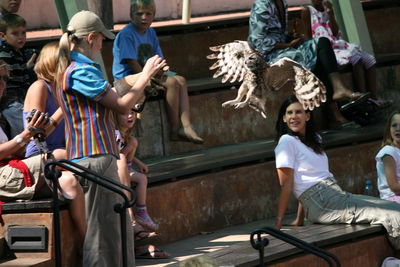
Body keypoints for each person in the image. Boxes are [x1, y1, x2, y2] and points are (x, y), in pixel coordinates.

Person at [55, 10, 167, 267]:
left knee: (116, 233)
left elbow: (116, 96)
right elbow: (122, 105)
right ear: (91, 38)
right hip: (93, 159)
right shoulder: (80, 71)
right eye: (102, 39)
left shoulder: (79, 70)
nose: (103, 44)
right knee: (102, 238)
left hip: (100, 158)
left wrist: (140, 78)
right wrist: (146, 74)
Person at [274, 95, 400, 250]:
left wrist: (299, 220)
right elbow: (287, 184)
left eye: (298, 112)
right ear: (284, 118)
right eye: (289, 113)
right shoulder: (286, 141)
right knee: (390, 215)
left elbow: (305, 178)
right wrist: (278, 223)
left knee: (391, 207)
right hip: (321, 203)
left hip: (335, 194)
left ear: (307, 116)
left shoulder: (315, 139)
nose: (294, 117)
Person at [0, 59, 86, 247]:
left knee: (70, 182)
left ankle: (85, 244)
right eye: (0, 78)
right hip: (4, 176)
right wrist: (27, 134)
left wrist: (34, 134)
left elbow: (20, 146)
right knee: (67, 156)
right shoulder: (40, 86)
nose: (3, 83)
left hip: (14, 170)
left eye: (5, 78)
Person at [248, 0, 368, 128]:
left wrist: (290, 37)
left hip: (284, 49)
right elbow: (257, 42)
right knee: (312, 57)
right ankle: (334, 115)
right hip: (268, 57)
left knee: (322, 42)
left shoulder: (283, 3)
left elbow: (277, 34)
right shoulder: (262, 5)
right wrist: (288, 45)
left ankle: (338, 88)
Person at [112, 0, 203, 144]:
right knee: (172, 83)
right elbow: (131, 62)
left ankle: (186, 126)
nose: (144, 17)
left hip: (151, 73)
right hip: (131, 77)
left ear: (154, 16)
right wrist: (146, 80)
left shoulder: (151, 32)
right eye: (139, 13)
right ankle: (174, 129)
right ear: (131, 15)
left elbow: (158, 59)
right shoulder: (126, 34)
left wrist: (165, 70)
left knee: (180, 79)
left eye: (148, 14)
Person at [302, 0, 392, 109]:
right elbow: (307, 36)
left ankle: (374, 96)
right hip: (327, 50)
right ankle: (363, 98)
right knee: (356, 60)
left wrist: (330, 13)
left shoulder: (327, 9)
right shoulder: (308, 11)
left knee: (370, 59)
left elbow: (335, 33)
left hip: (339, 45)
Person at [114, 103, 157, 231]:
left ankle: (141, 212)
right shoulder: (115, 133)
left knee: (142, 178)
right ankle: (130, 213)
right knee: (133, 142)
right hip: (115, 168)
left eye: (132, 113)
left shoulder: (125, 135)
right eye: (124, 113)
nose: (129, 116)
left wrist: (139, 163)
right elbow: (117, 154)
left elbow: (124, 151)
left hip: (124, 166)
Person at [23, 41, 65, 159]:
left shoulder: (61, 90)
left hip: (61, 151)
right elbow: (36, 133)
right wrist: (63, 108)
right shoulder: (40, 87)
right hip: (40, 153)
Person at [0, 13, 36, 138]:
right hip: (9, 101)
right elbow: (9, 81)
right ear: (3, 36)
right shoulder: (5, 54)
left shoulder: (19, 53)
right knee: (19, 117)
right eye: (15, 33)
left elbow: (22, 75)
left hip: (20, 97)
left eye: (23, 33)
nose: (21, 37)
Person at [376, 111, 400, 204]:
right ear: (389, 130)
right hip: (393, 198)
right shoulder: (389, 152)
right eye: (394, 125)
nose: (398, 128)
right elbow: (394, 187)